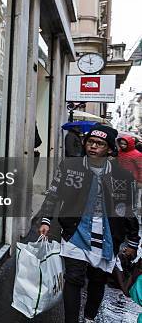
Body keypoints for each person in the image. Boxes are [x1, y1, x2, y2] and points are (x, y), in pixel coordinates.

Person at [38, 124, 139, 323]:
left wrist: (134, 241)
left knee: (98, 279)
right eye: (90, 142)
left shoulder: (122, 177)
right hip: (75, 232)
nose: (93, 146)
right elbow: (54, 193)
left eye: (99, 144)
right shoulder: (69, 167)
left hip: (107, 237)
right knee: (73, 278)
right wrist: (46, 219)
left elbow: (128, 209)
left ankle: (90, 317)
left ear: (110, 149)